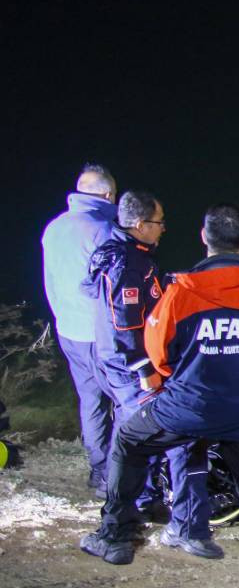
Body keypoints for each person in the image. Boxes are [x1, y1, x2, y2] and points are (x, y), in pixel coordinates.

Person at [80, 203, 239, 580]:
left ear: (203, 238)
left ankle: (114, 536)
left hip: (189, 407)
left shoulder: (181, 290)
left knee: (129, 440)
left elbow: (158, 354)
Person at [83, 191, 218, 556]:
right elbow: (124, 326)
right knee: (169, 437)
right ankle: (131, 531)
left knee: (137, 441)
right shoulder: (125, 263)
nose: (164, 228)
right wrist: (145, 371)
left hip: (134, 367)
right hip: (133, 371)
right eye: (159, 222)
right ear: (141, 225)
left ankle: (144, 508)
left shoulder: (135, 257)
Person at [41, 164, 117, 496]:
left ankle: (98, 471)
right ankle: (118, 475)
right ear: (108, 195)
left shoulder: (54, 229)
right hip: (101, 334)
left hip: (68, 329)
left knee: (91, 402)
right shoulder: (103, 230)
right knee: (125, 402)